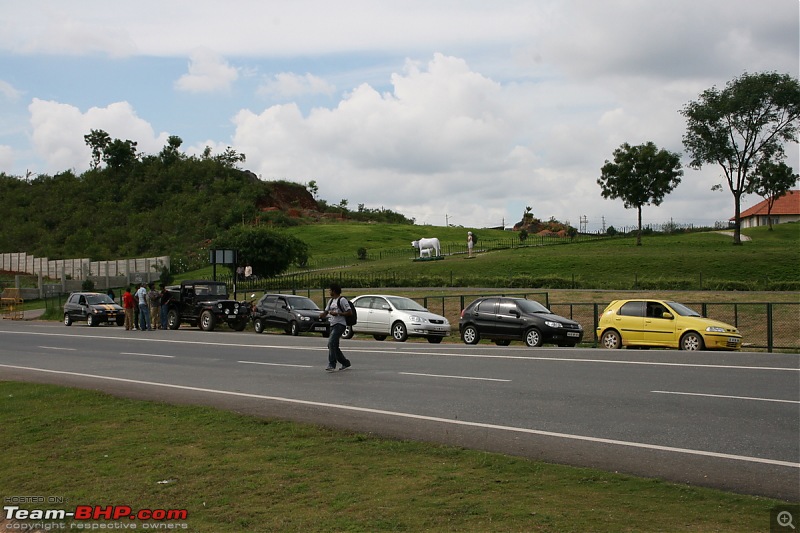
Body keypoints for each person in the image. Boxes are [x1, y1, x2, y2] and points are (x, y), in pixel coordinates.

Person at [319, 283, 352, 372]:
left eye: (330, 290)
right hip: (332, 325)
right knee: (333, 346)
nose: (329, 292)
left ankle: (332, 364)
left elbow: (349, 312)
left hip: (340, 325)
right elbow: (326, 311)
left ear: (334, 291)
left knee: (331, 343)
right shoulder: (330, 301)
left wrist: (337, 313)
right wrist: (322, 315)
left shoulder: (342, 300)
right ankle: (345, 362)